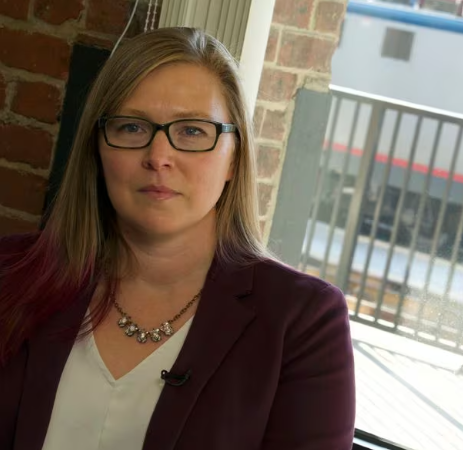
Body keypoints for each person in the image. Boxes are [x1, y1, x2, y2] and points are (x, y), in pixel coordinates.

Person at [0, 27, 355, 450]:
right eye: (132, 127)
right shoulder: (10, 275)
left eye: (191, 131)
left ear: (233, 159)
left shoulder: (303, 322)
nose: (158, 157)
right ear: (98, 148)